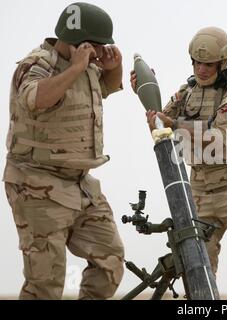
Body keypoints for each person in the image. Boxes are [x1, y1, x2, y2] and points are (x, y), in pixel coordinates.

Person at [131, 26, 227, 299]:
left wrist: (175, 124)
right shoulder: (186, 92)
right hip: (199, 190)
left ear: (222, 63)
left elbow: (215, 138)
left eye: (208, 64)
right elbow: (158, 128)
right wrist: (144, 93)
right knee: (198, 270)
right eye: (197, 62)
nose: (201, 69)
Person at [4, 2, 124, 299]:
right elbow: (35, 99)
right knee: (46, 281)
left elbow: (106, 89)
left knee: (110, 259)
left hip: (80, 183)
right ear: (75, 41)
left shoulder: (86, 68)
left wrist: (114, 66)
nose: (97, 52)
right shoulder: (36, 64)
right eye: (94, 45)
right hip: (35, 183)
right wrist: (75, 68)